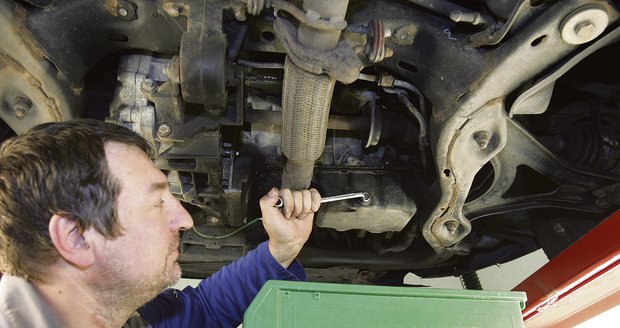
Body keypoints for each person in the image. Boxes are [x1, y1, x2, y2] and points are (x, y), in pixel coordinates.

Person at [0, 119, 321, 328]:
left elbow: (204, 310)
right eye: (156, 203)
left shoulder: (128, 320)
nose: (183, 219)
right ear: (76, 238)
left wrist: (282, 249)